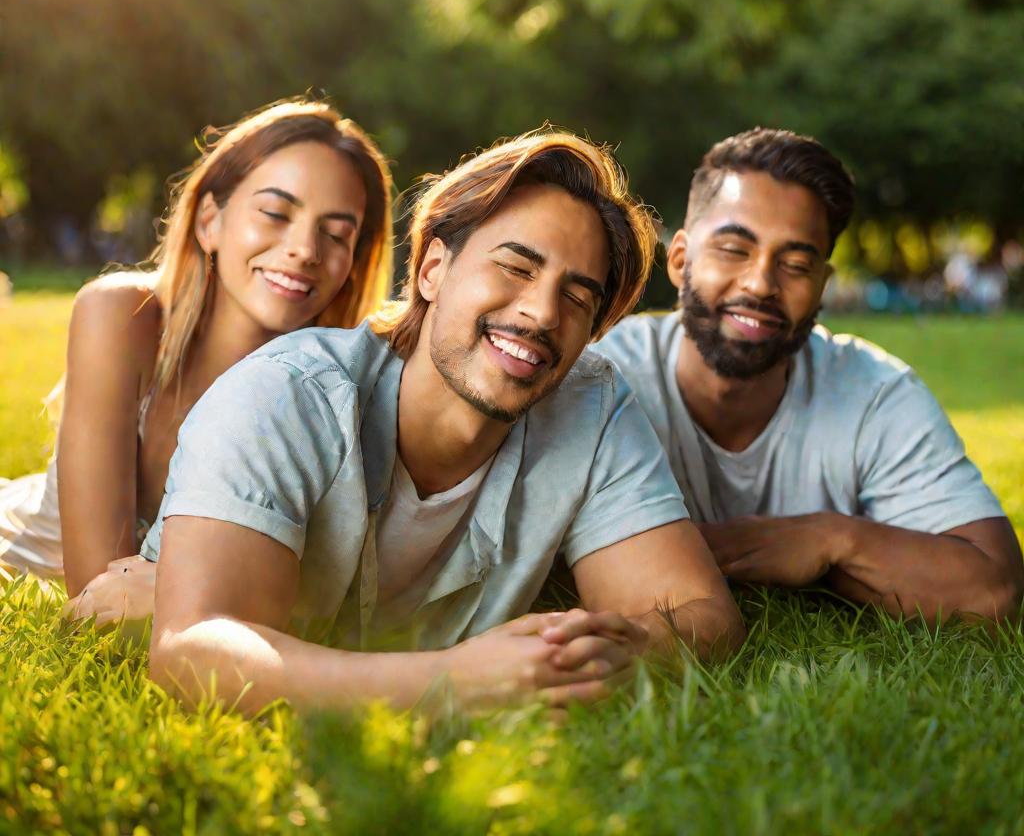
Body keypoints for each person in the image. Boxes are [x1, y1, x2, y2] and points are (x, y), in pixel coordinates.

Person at [143, 129, 745, 713]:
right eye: (515, 267)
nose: (541, 312)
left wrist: (615, 654)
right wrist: (451, 682)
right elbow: (194, 651)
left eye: (577, 298)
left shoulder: (593, 405)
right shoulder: (285, 392)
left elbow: (701, 611)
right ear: (432, 268)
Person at [594, 127, 1023, 625]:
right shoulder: (604, 377)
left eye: (796, 264)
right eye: (735, 250)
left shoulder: (876, 393)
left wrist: (830, 540)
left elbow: (995, 590)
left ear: (823, 285)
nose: (760, 283)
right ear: (681, 258)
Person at [0, 100, 394, 626]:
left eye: (337, 233)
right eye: (276, 213)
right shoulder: (122, 314)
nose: (304, 249)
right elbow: (101, 594)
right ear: (210, 220)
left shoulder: (341, 395)